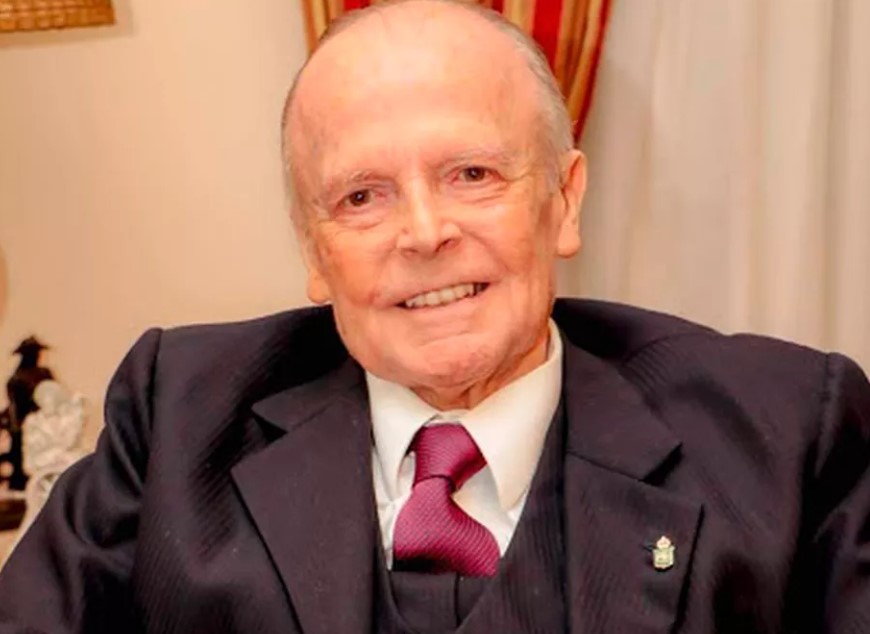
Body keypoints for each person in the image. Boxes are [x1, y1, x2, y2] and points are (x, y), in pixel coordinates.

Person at [1, 1, 869, 632]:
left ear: (565, 201)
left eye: (472, 175)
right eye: (362, 196)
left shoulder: (785, 435)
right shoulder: (180, 413)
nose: (423, 234)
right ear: (312, 249)